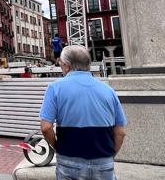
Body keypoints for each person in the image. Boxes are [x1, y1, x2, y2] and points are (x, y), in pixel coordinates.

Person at [39, 45, 127, 180]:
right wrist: (108, 156)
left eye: (61, 65)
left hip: (69, 160)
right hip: (103, 161)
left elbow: (46, 128)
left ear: (66, 66)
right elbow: (120, 132)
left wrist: (59, 148)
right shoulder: (108, 90)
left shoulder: (55, 88)